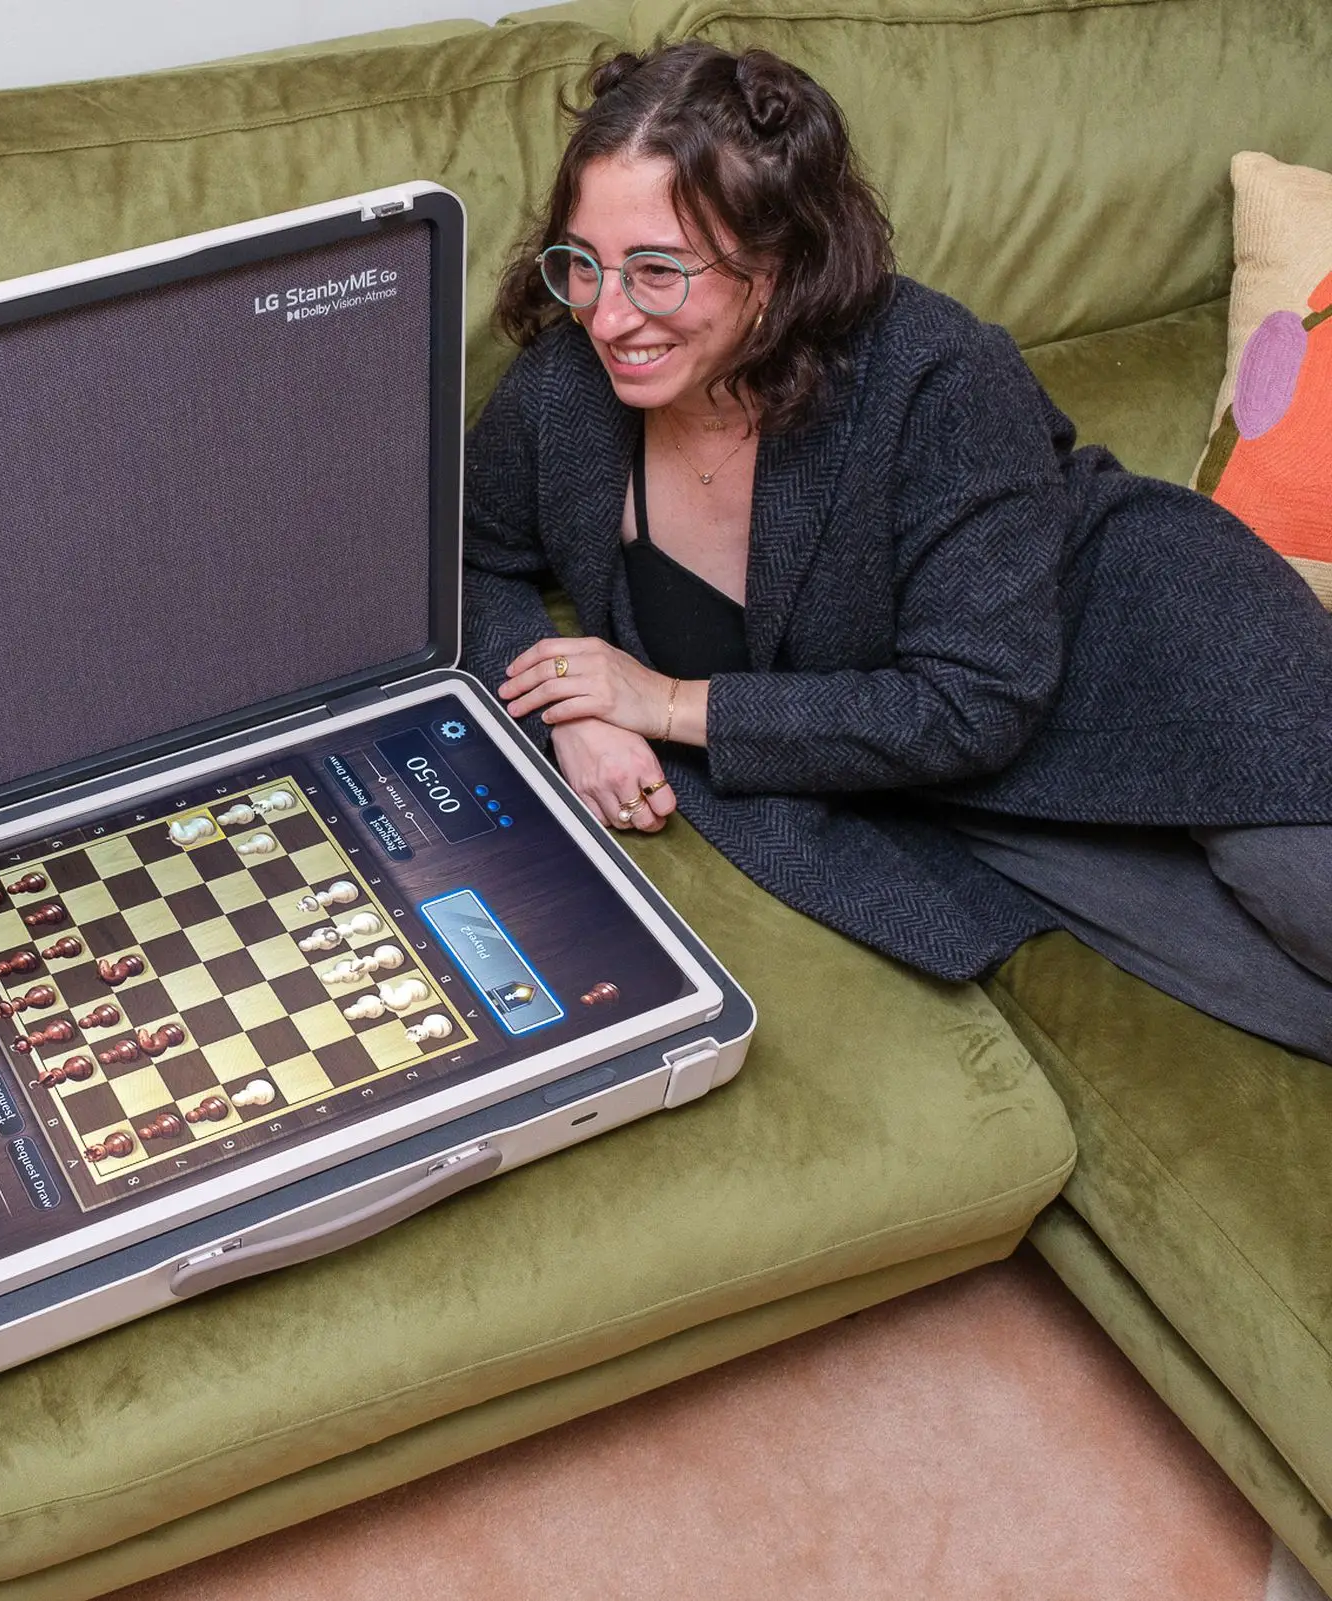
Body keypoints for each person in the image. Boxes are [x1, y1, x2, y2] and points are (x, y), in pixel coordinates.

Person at [462, 42, 1332, 1060]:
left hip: (1172, 669)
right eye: (583, 262)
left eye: (657, 271)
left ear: (775, 265)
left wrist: (656, 701)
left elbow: (972, 701)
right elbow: (471, 559)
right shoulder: (566, 394)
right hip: (978, 795)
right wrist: (568, 709)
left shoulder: (941, 376)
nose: (608, 315)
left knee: (1306, 891)